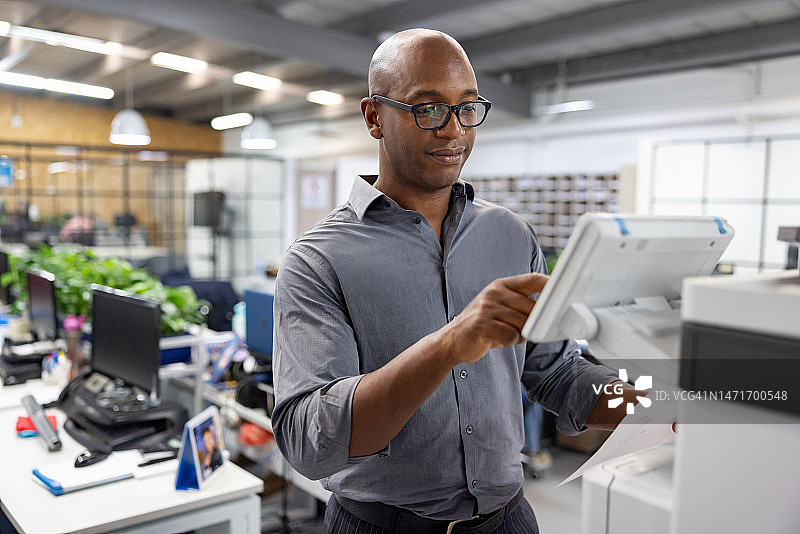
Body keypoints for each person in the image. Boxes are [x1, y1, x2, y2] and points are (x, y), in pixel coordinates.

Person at [273, 28, 641, 534]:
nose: (454, 131)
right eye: (428, 109)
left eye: (467, 108)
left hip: (508, 519)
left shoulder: (510, 235)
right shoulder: (318, 259)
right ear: (374, 117)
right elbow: (308, 441)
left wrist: (650, 403)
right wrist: (449, 343)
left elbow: (556, 373)